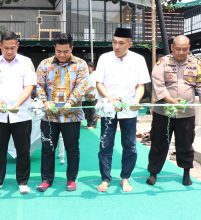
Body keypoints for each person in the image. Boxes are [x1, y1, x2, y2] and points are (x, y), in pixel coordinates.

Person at [147, 35, 201, 186]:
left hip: (186, 113)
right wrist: (170, 100)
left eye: (185, 49)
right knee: (159, 142)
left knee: (185, 143)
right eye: (178, 49)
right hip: (163, 112)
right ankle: (153, 172)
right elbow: (158, 84)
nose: (181, 52)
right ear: (172, 48)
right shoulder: (162, 63)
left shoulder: (197, 64)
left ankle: (186, 172)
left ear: (189, 48)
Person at [95, 27, 150, 192]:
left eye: (121, 43)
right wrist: (108, 97)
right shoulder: (104, 58)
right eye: (114, 42)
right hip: (108, 109)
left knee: (130, 145)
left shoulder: (138, 59)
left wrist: (137, 100)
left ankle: (125, 178)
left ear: (130, 44)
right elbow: (99, 83)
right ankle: (105, 178)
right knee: (105, 144)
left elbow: (141, 85)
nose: (116, 46)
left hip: (129, 109)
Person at [36, 33, 92, 192]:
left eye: (65, 51)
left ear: (72, 48)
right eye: (59, 51)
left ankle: (71, 179)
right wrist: (44, 101)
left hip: (71, 116)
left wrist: (70, 102)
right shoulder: (45, 64)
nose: (62, 55)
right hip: (49, 116)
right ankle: (46, 179)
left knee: (72, 148)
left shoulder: (81, 64)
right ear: (54, 48)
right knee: (47, 147)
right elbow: (39, 85)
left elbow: (82, 86)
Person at [0, 31, 36, 195]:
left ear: (17, 46)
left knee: (23, 149)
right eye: (6, 48)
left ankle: (23, 182)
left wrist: (18, 104)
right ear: (0, 46)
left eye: (12, 48)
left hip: (21, 114)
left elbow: (29, 86)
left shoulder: (26, 62)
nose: (9, 51)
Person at [82, 61, 98, 129]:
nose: (88, 68)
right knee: (88, 111)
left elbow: (93, 86)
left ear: (92, 67)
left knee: (93, 110)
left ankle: (94, 125)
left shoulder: (95, 74)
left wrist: (84, 92)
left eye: (89, 67)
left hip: (93, 95)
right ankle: (89, 124)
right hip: (86, 96)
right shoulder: (87, 75)